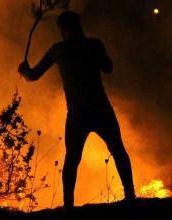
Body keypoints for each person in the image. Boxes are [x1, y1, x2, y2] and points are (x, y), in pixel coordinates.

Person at [18, 11, 136, 209]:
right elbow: (108, 68)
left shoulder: (58, 50)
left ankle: (68, 205)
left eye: (62, 29)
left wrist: (24, 70)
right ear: (79, 26)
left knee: (72, 158)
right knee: (117, 150)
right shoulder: (94, 44)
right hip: (100, 109)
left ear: (63, 30)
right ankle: (130, 196)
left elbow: (33, 75)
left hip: (78, 114)